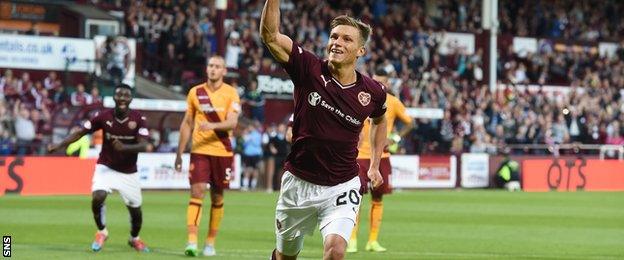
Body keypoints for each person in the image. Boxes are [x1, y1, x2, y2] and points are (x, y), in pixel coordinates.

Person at [260, 2, 388, 259]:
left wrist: (374, 164)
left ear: (360, 50)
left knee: (336, 250)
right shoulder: (308, 68)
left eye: (346, 39)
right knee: (286, 256)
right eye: (334, 36)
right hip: (298, 183)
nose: (337, 42)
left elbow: (380, 119)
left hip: (342, 185)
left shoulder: (372, 92)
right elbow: (270, 36)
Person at [48, 83, 153, 252]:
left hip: (128, 171)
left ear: (131, 98)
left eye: (126, 96)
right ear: (114, 97)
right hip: (106, 166)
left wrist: (124, 148)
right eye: (119, 95)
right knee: (98, 197)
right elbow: (80, 132)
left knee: (136, 212)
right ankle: (102, 231)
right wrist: (59, 145)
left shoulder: (139, 119)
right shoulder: (103, 117)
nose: (122, 99)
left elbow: (145, 145)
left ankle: (134, 238)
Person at [174, 56, 241, 257]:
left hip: (222, 151)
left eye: (217, 66)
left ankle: (210, 242)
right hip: (200, 150)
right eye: (210, 65)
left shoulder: (231, 93)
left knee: (218, 196)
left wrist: (211, 125)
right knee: (198, 191)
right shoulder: (195, 92)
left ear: (224, 71)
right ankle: (192, 241)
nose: (213, 69)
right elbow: (187, 123)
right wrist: (179, 153)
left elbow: (232, 123)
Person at [347, 68, 414, 253]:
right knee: (355, 199)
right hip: (359, 156)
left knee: (378, 197)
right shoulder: (360, 98)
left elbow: (410, 122)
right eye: (375, 81)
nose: (378, 85)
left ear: (388, 83)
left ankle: (372, 241)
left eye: (382, 82)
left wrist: (396, 138)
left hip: (381, 156)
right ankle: (351, 240)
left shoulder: (392, 102)